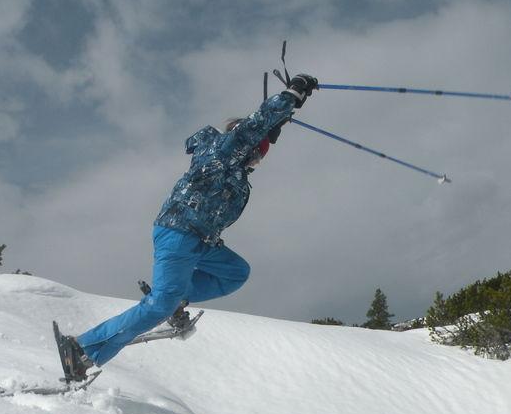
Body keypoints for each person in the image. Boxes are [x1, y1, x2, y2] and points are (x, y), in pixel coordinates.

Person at [58, 73, 319, 380]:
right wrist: (290, 96)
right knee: (158, 307)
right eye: (258, 157)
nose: (257, 163)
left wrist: (276, 125)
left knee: (235, 272)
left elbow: (258, 130)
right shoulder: (222, 154)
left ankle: (172, 299)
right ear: (247, 149)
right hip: (179, 232)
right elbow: (252, 127)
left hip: (201, 241)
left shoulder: (234, 170)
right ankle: (81, 345)